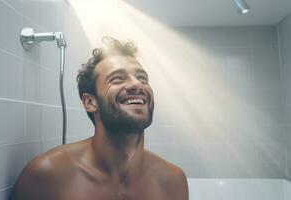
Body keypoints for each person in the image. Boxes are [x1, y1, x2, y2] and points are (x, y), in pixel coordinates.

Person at [11, 37, 189, 200]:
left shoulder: (172, 181)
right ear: (90, 102)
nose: (137, 84)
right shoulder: (47, 174)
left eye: (142, 78)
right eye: (117, 79)